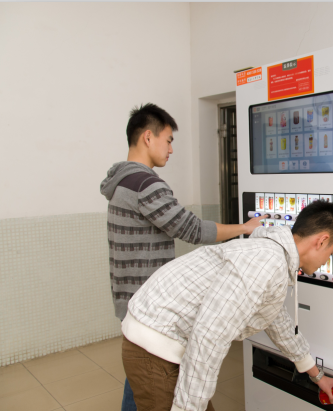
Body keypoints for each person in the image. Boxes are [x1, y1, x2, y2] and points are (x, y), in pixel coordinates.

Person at [100, 103, 266, 411]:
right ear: (147, 137)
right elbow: (191, 228)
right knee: (151, 377)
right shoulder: (145, 184)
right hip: (153, 305)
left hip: (131, 297)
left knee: (139, 375)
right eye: (168, 140)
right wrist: (245, 228)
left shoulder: (121, 182)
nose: (171, 149)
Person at [121, 200, 333, 411]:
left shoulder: (272, 256)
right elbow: (210, 335)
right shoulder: (266, 261)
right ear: (321, 241)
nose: (325, 262)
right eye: (330, 253)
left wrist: (316, 375)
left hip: (164, 334)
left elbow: (277, 320)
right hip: (155, 343)